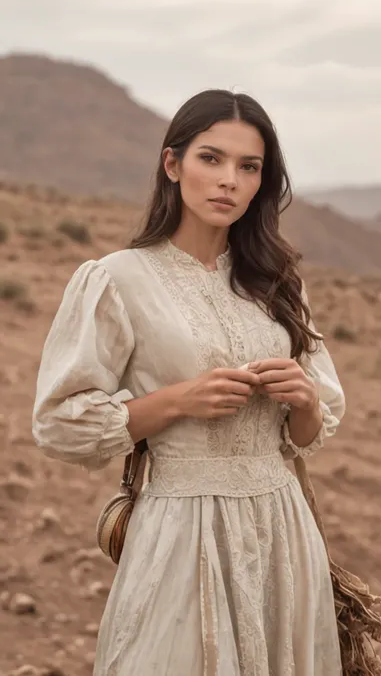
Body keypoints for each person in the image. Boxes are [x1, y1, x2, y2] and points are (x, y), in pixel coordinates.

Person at [32, 89, 346, 676]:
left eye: (248, 167)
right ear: (172, 165)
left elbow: (308, 432)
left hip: (283, 529)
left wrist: (303, 397)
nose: (229, 179)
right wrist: (178, 401)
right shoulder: (116, 279)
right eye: (211, 158)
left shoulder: (277, 283)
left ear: (261, 182)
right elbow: (57, 424)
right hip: (181, 529)